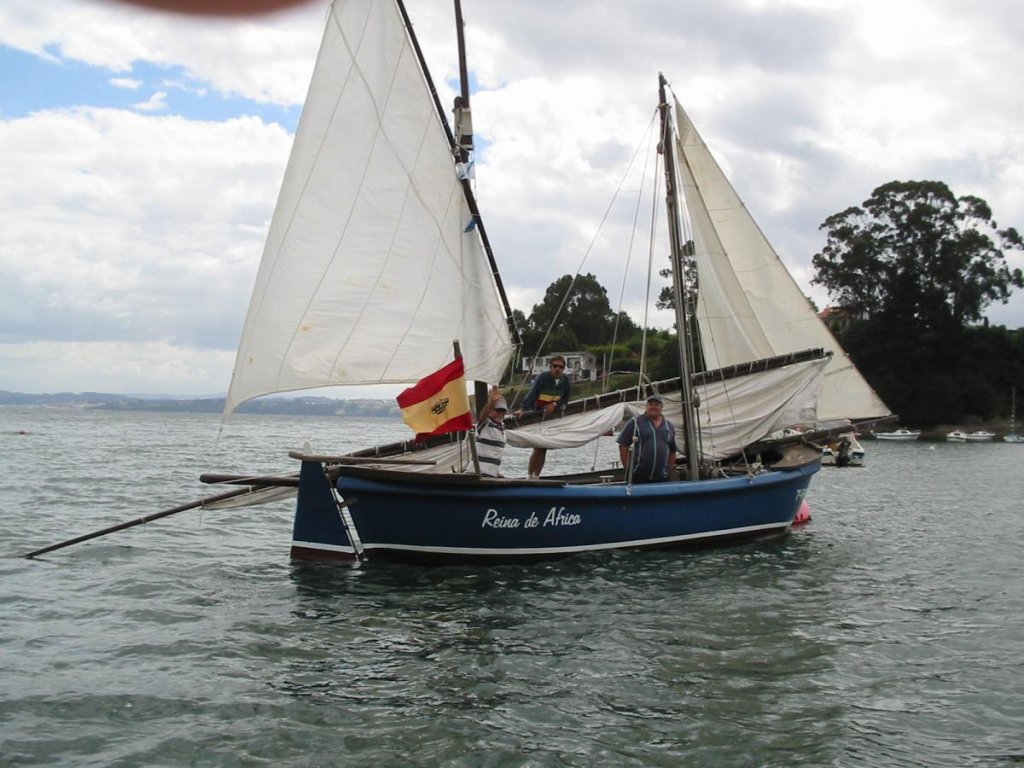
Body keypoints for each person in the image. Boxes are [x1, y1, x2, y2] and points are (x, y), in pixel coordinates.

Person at [514, 356, 572, 478]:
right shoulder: (543, 377)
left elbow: (565, 398)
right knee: (538, 446)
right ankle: (530, 475)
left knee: (543, 447)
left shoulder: (566, 380)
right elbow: (533, 393)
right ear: (550, 367)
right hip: (539, 414)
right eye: (555, 366)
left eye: (560, 367)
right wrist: (523, 408)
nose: (557, 369)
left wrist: (555, 404)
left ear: (563, 369)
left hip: (553, 417)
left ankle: (536, 476)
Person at [617, 394, 678, 483]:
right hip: (639, 477)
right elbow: (623, 445)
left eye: (656, 404)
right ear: (646, 407)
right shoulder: (635, 422)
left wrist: (669, 469)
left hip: (662, 478)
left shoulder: (669, 426)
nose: (653, 407)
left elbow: (673, 450)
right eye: (650, 404)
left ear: (661, 407)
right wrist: (628, 469)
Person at [475, 386, 508, 478]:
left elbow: (494, 455)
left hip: (490, 476)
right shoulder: (485, 425)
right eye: (497, 410)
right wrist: (492, 402)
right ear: (490, 411)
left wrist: (496, 473)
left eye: (503, 411)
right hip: (477, 475)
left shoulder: (502, 429)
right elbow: (482, 416)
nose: (500, 413)